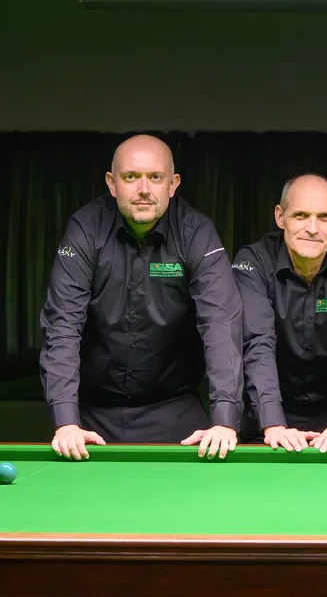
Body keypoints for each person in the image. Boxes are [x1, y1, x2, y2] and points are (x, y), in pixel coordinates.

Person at [39, 134, 244, 460]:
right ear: (112, 183)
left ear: (173, 184)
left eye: (155, 177)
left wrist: (224, 421)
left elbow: (220, 324)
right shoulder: (85, 228)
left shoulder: (196, 232)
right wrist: (66, 422)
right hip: (92, 415)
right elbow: (62, 324)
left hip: (174, 411)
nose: (144, 189)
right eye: (131, 177)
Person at [232, 174, 327, 452]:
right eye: (300, 215)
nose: (312, 228)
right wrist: (273, 424)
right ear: (280, 216)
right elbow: (258, 343)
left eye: (324, 217)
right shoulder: (253, 261)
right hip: (268, 424)